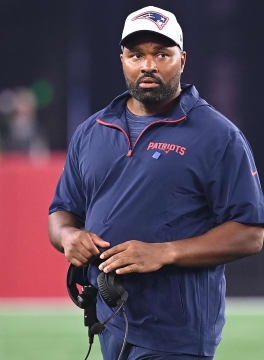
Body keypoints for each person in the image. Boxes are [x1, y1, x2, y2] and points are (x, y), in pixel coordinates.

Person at [48, 5, 264, 360]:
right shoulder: (92, 131)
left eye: (161, 54)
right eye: (136, 55)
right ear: (122, 60)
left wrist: (164, 252)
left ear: (182, 60)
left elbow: (250, 233)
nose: (148, 65)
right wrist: (69, 237)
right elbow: (61, 212)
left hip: (178, 330)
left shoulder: (218, 135)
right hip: (111, 318)